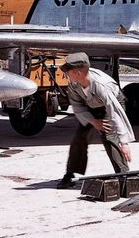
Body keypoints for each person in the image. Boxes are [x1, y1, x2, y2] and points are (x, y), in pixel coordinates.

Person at [57, 52, 134, 189]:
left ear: (78, 73)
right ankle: (71, 173)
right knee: (79, 138)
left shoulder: (102, 86)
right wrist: (92, 121)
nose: (66, 75)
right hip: (91, 106)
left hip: (112, 104)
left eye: (68, 72)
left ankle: (124, 175)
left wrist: (124, 142)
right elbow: (78, 106)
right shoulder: (74, 84)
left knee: (109, 136)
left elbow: (115, 113)